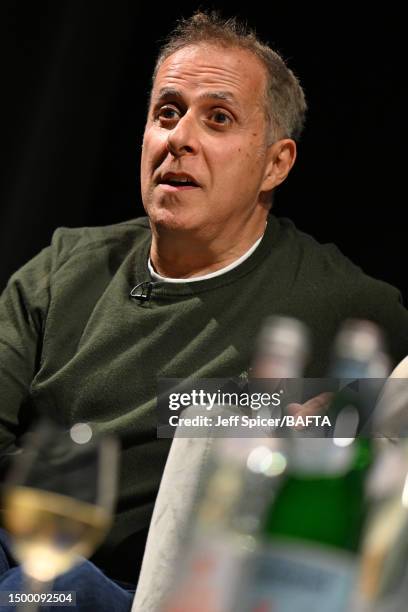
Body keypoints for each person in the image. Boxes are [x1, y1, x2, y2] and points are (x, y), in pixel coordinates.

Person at [1, 10, 408, 611]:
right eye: (167, 112)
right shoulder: (64, 266)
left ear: (276, 163)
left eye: (217, 118)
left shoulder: (351, 311)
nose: (179, 138)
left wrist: (325, 418)